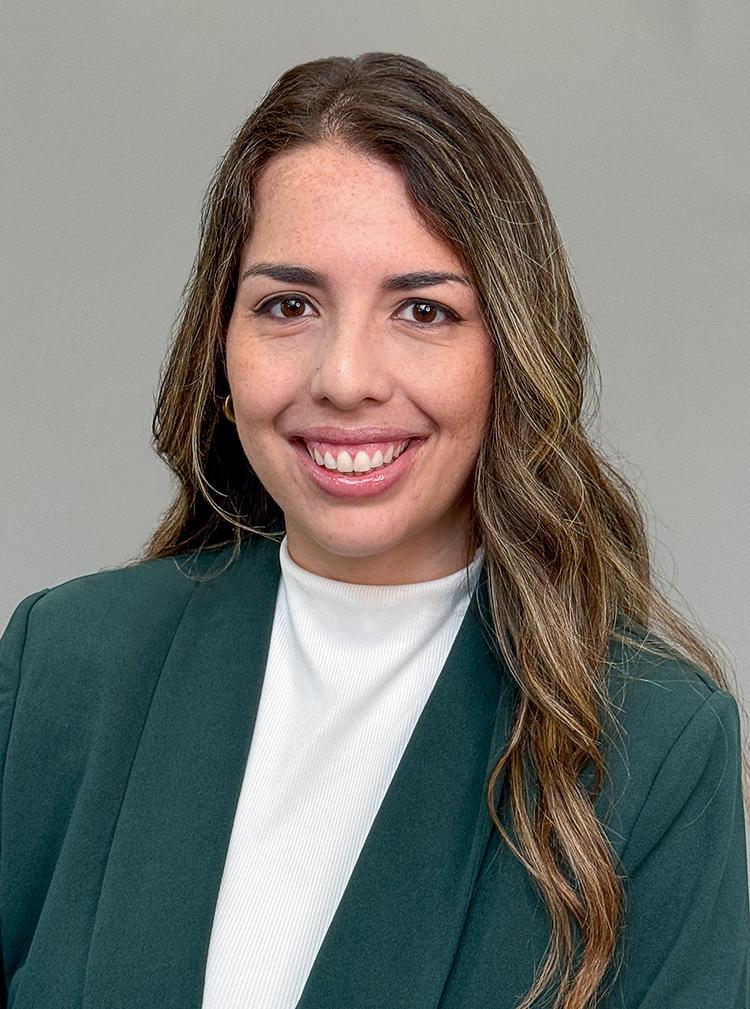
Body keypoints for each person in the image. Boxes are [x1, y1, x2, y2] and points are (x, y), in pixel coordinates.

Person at [1, 52, 748, 1009]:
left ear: (511, 357)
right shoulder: (65, 666)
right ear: (221, 347)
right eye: (289, 305)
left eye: (423, 310)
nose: (345, 377)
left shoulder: (658, 744)